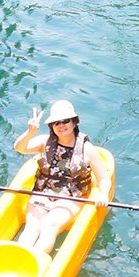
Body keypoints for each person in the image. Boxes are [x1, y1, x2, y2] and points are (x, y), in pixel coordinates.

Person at [12, 99, 111, 255]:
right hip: (43, 191)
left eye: (65, 121)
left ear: (74, 123)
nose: (61, 125)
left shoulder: (87, 149)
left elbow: (104, 178)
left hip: (71, 197)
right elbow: (20, 148)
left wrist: (104, 194)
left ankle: (35, 262)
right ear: (52, 126)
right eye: (56, 122)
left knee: (49, 225)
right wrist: (30, 132)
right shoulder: (45, 142)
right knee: (32, 226)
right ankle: (19, 259)